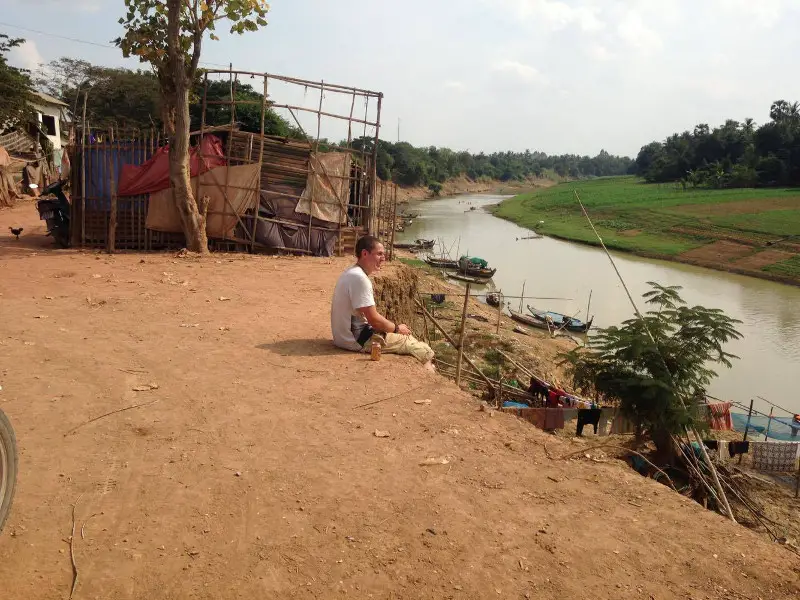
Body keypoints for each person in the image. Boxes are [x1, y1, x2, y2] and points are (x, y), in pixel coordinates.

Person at [331, 235, 435, 371]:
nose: (383, 258)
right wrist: (397, 328)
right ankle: (428, 375)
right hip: (356, 340)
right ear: (364, 254)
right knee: (421, 349)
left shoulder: (351, 273)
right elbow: (374, 320)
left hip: (342, 337)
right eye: (379, 254)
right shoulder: (360, 279)